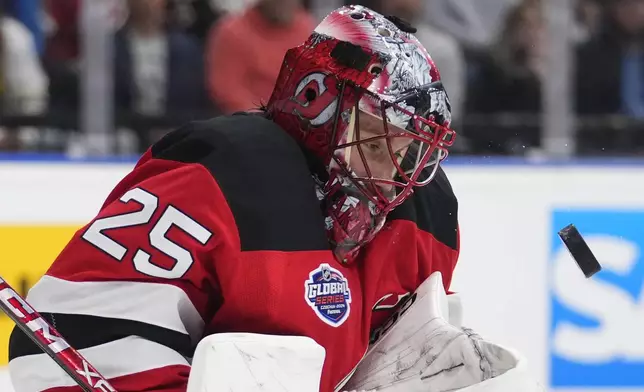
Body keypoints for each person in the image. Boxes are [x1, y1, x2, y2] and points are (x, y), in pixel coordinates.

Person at [8, 5, 462, 392]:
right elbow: (73, 336)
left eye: (411, 152)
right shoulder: (221, 177)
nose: (393, 175)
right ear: (317, 102)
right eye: (378, 142)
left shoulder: (424, 216)